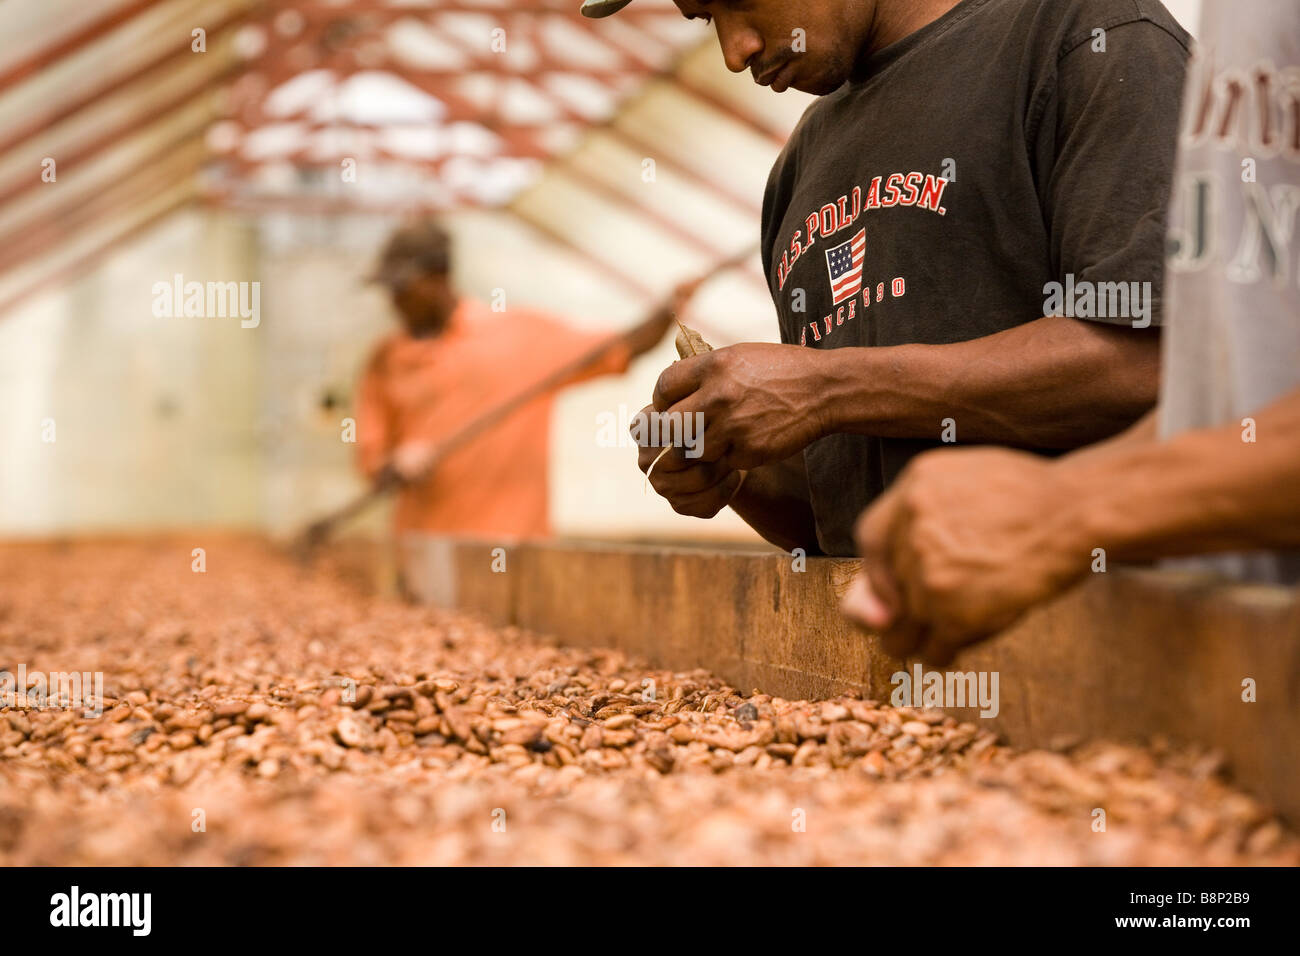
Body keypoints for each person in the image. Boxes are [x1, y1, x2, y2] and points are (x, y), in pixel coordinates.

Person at [583, 0, 1190, 556]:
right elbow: (844, 511)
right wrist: (738, 465)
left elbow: (1153, 365)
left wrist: (828, 390)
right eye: (702, 17)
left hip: (1103, 642)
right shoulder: (801, 166)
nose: (733, 50)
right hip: (895, 653)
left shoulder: (1087, 39)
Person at [841, 0, 1300, 664]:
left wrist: (1068, 509)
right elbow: (1236, 392)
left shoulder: (1105, 35)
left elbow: (1142, 359)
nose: (736, 52)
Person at [355, 218, 673, 538]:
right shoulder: (386, 358)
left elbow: (624, 347)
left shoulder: (520, 335)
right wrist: (396, 464)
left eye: (403, 287)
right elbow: (374, 464)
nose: (394, 300)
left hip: (516, 557)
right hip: (425, 557)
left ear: (439, 276)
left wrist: (671, 308)